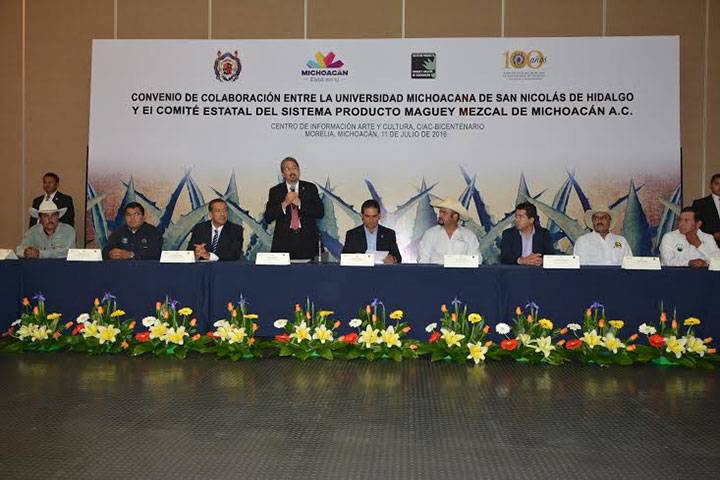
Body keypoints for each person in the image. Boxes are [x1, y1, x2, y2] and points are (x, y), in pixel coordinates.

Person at [264, 157, 324, 260]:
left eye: (294, 168)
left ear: (299, 170)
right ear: (283, 174)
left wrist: (300, 204)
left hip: (307, 242)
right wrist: (284, 204)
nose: (292, 171)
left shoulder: (310, 188)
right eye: (287, 169)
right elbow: (268, 217)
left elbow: (320, 212)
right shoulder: (275, 191)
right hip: (283, 242)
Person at [417, 197, 481, 264]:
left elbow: (477, 260)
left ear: (455, 216)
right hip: (435, 271)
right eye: (440, 212)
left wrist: (447, 262)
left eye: (444, 213)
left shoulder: (469, 236)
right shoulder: (430, 234)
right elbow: (422, 260)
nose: (440, 215)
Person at [342, 199, 402, 263]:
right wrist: (355, 257)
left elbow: (398, 258)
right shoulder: (352, 235)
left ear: (379, 216)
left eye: (374, 216)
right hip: (360, 268)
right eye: (367, 216)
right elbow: (344, 258)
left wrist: (393, 259)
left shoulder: (389, 234)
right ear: (362, 216)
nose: (371, 220)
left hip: (382, 269)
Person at [691, 173, 720, 247]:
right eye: (717, 184)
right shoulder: (700, 204)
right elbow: (694, 225)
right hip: (708, 246)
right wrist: (713, 235)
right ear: (711, 185)